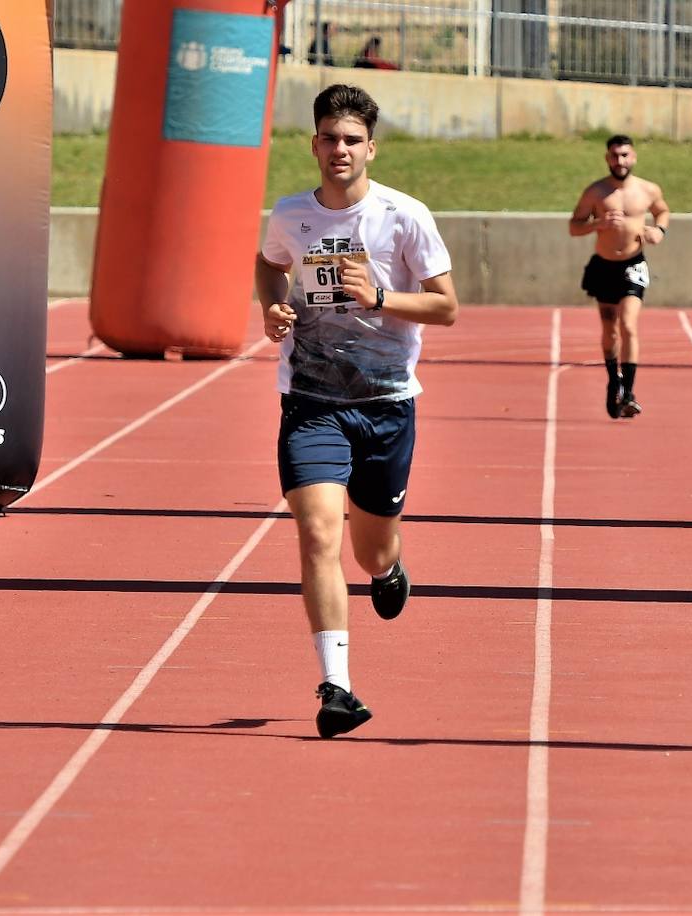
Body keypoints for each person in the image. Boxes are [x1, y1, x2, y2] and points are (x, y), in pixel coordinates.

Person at [255, 84, 458, 738]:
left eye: (351, 140)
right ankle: (336, 686)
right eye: (328, 138)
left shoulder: (404, 216)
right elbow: (268, 265)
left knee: (371, 552)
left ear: (371, 147)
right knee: (317, 532)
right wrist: (274, 305)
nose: (338, 149)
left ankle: (390, 568)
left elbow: (446, 306)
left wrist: (378, 297)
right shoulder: (291, 214)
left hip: (386, 407)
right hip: (311, 403)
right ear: (313, 143)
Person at [569, 134, 670, 419]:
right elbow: (574, 226)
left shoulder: (647, 189)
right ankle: (614, 380)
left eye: (625, 155)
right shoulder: (596, 192)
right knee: (610, 328)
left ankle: (629, 392)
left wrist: (659, 231)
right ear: (607, 158)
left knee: (628, 324)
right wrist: (597, 224)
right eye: (614, 155)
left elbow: (662, 211)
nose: (620, 161)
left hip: (633, 265)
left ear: (634, 157)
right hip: (603, 267)